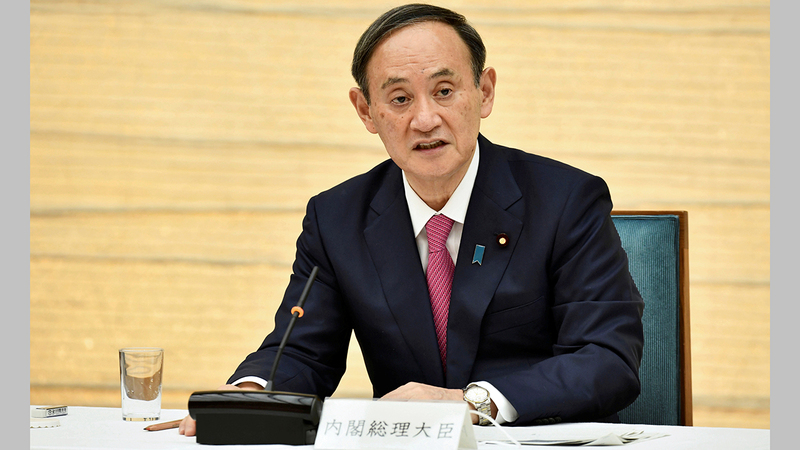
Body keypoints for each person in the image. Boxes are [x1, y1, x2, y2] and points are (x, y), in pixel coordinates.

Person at [180, 3, 644, 436]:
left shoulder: (565, 201)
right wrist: (250, 396)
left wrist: (472, 403)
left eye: (444, 92)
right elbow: (301, 351)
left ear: (483, 93)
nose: (425, 119)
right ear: (366, 111)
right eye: (400, 99)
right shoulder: (337, 218)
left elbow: (606, 359)